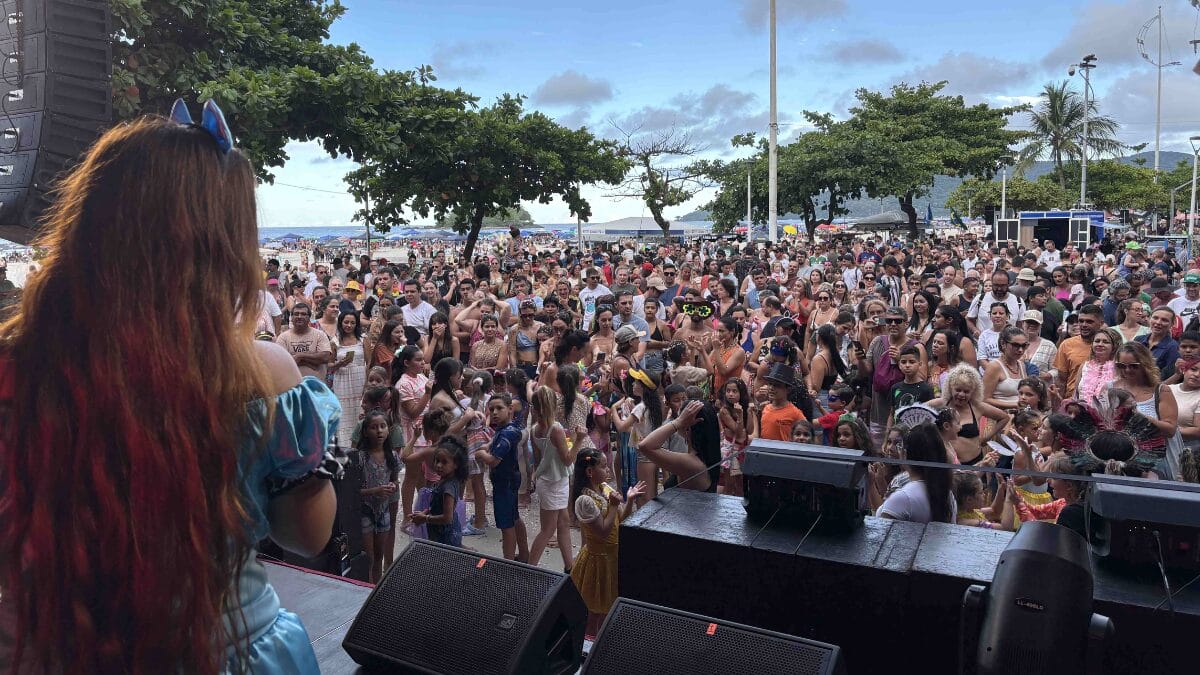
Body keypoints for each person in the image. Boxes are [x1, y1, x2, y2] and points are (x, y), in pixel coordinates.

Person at [0, 110, 340, 672]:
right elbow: (308, 536)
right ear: (221, 247)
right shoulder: (260, 375)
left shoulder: (17, 368)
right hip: (225, 651)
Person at [570, 449, 646, 636]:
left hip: (613, 558)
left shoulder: (605, 489)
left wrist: (629, 500)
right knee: (592, 612)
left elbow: (621, 521)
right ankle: (587, 645)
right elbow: (603, 532)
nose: (609, 470)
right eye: (604, 466)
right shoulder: (585, 501)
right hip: (597, 562)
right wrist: (612, 505)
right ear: (590, 471)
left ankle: (601, 643)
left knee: (608, 610)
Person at [474, 393, 530, 561]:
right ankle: (524, 554)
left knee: (506, 525)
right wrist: (488, 445)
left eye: (499, 408)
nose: (495, 412)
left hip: (504, 482)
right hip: (509, 479)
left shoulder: (507, 433)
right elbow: (494, 442)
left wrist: (480, 454)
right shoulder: (508, 428)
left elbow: (493, 461)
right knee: (514, 517)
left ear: (510, 409)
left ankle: (508, 561)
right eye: (491, 409)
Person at [527, 386, 577, 571]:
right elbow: (568, 460)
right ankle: (530, 567)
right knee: (548, 530)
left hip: (547, 479)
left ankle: (569, 566)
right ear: (554, 406)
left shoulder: (534, 430)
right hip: (555, 481)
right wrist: (579, 440)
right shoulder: (556, 429)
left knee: (563, 523)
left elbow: (538, 460)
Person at [876, 423, 956, 523]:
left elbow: (881, 530)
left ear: (905, 454)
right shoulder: (948, 495)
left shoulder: (902, 498)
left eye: (899, 446)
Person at [356, 410, 399, 583]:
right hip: (365, 512)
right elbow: (352, 492)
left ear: (388, 430)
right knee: (369, 557)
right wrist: (375, 491)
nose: (379, 431)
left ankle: (376, 588)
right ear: (366, 432)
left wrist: (392, 486)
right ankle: (367, 589)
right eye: (374, 427)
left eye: (383, 426)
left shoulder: (392, 456)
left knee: (379, 555)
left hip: (383, 511)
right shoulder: (360, 457)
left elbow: (394, 480)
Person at [412, 436, 469, 547]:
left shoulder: (448, 488)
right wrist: (425, 513)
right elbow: (438, 507)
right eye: (437, 461)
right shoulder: (443, 481)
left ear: (456, 465)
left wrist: (425, 518)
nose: (438, 465)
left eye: (444, 462)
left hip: (445, 536)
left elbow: (447, 518)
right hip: (439, 532)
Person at [329, 311, 366, 449]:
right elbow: (329, 366)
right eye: (346, 322)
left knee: (360, 411)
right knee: (344, 413)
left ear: (357, 324)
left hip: (360, 379)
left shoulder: (363, 339)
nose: (349, 325)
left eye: (352, 322)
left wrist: (367, 384)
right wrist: (339, 364)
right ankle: (345, 448)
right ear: (341, 323)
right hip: (342, 381)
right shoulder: (334, 341)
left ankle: (361, 446)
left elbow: (369, 363)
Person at [275, 301, 334, 379]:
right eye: (296, 314)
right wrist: (312, 360)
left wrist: (300, 356)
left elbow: (325, 357)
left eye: (303, 314)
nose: (299, 316)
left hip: (316, 384)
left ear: (309, 318)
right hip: (293, 384)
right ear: (291, 317)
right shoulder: (283, 337)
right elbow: (282, 362)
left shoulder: (320, 335)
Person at [1055, 304, 1104, 397]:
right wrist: (1060, 403)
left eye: (1089, 322)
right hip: (1073, 400)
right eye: (1081, 321)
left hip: (1100, 400)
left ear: (1101, 323)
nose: (1084, 325)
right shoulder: (1067, 345)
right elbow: (1061, 380)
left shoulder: (1109, 345)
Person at [982, 327, 1031, 413]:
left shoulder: (1021, 365)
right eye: (1016, 345)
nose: (1020, 350)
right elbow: (984, 399)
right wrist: (1014, 405)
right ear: (1003, 344)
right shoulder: (994, 366)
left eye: (1024, 346)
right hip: (999, 415)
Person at [758, 363, 806, 440]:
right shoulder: (765, 407)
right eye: (770, 384)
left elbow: (807, 433)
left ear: (788, 390)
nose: (771, 388)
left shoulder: (795, 413)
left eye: (777, 385)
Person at [1075, 327, 1120, 403]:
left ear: (1114, 346)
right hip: (1083, 408)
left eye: (1105, 342)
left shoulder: (1119, 368)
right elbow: (1076, 394)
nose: (1100, 344)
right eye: (1097, 341)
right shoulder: (1085, 366)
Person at [1135, 307, 1180, 378]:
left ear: (1172, 324)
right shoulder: (1138, 340)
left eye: (1164, 320)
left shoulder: (1173, 347)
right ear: (1150, 319)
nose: (1158, 322)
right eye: (1155, 318)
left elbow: (1169, 376)